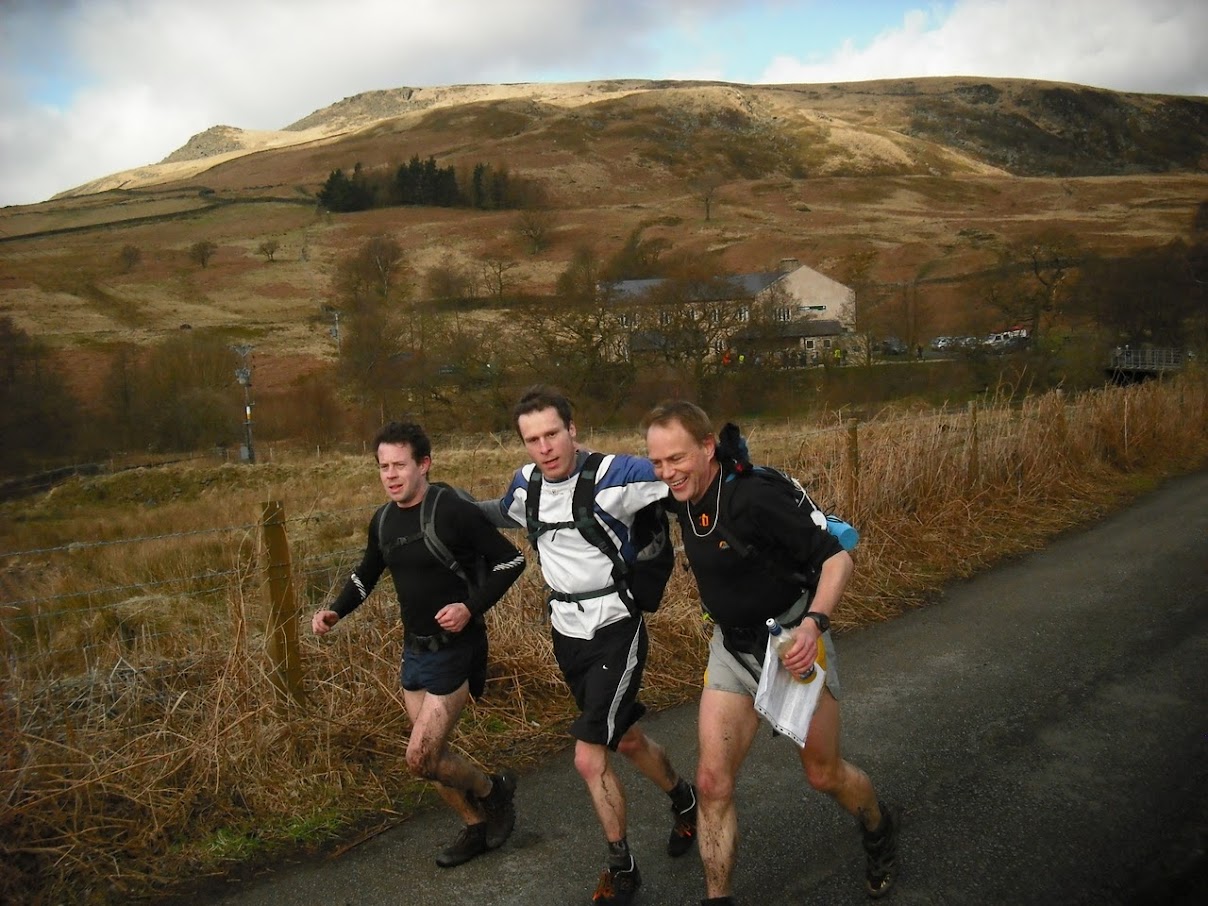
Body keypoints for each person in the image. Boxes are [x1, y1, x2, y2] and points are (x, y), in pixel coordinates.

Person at [642, 401, 900, 906]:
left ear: (707, 447)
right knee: (712, 782)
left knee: (823, 774)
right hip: (731, 649)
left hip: (791, 646)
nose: (667, 472)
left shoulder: (755, 497)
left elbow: (837, 559)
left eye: (676, 458)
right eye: (658, 462)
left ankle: (877, 826)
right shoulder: (680, 495)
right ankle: (718, 897)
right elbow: (612, 474)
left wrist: (813, 625)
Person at [481, 386, 697, 906]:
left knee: (588, 755)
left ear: (572, 430)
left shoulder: (615, 475)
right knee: (626, 739)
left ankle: (622, 869)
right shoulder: (526, 485)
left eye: (552, 434)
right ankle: (685, 799)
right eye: (532, 439)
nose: (545, 448)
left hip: (616, 626)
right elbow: (499, 512)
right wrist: (439, 503)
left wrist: (739, 477)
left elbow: (683, 478)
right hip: (566, 632)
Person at [312, 421, 526, 869]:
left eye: (400, 465)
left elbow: (512, 560)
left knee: (419, 758)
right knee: (431, 760)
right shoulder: (383, 520)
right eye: (383, 467)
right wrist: (336, 610)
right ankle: (474, 825)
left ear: (424, 464)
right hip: (414, 649)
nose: (391, 475)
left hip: (456, 647)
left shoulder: (453, 511)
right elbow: (366, 574)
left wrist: (469, 607)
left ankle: (492, 790)